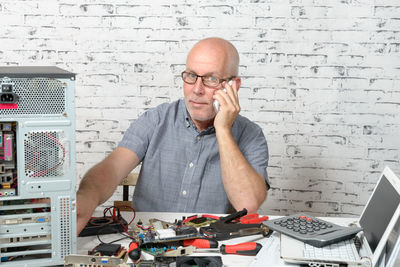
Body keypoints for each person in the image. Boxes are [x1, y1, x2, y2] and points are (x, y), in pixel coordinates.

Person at [76, 37, 269, 234]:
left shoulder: (251, 135)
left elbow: (248, 204)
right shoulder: (156, 119)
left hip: (211, 246)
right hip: (149, 241)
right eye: (192, 75)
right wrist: (87, 197)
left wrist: (223, 129)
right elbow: (112, 168)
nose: (197, 89)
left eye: (211, 79)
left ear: (233, 86)